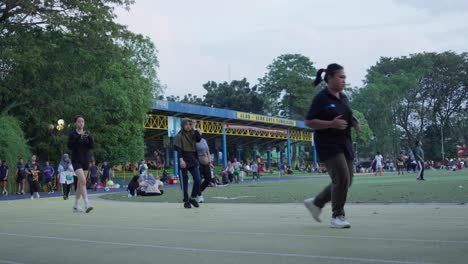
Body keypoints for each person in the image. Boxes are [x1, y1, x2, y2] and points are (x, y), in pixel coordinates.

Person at [303, 63, 361, 229]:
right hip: (328, 145)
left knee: (346, 181)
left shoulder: (343, 97)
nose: (344, 80)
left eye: (344, 77)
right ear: (329, 78)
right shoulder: (321, 98)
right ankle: (338, 216)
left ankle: (316, 203)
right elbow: (309, 121)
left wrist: (355, 122)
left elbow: (347, 114)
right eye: (340, 77)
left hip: (345, 143)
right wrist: (331, 124)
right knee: (342, 178)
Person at [68, 115, 94, 213]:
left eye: (82, 121)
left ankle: (75, 205)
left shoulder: (86, 134)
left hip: (85, 161)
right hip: (76, 161)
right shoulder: (73, 134)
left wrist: (90, 137)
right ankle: (87, 203)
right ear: (75, 123)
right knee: (83, 181)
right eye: (79, 121)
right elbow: (70, 145)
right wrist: (79, 137)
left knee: (80, 184)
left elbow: (91, 146)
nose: (81, 123)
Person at [174, 118, 202, 209]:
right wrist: (181, 160)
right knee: (184, 182)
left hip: (193, 159)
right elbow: (178, 149)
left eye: (190, 124)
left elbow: (199, 138)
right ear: (183, 125)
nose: (188, 126)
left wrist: (194, 128)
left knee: (198, 179)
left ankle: (192, 197)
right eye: (186, 124)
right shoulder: (179, 135)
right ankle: (186, 201)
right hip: (184, 160)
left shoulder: (193, 133)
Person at [196, 137, 212, 203]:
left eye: (200, 131)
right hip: (198, 162)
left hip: (206, 162)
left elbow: (208, 151)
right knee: (198, 179)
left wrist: (210, 162)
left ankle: (197, 192)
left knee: (208, 178)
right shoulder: (193, 141)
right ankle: (199, 195)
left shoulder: (204, 140)